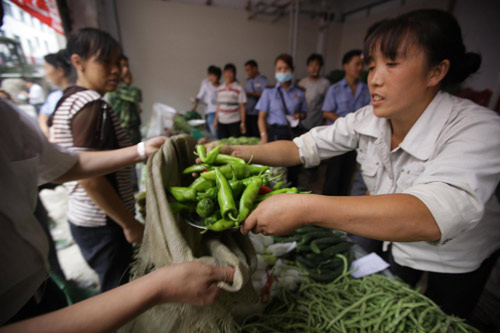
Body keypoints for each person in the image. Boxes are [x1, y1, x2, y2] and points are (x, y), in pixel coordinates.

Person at [224, 10, 500, 318]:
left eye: (392, 64)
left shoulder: (479, 128)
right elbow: (300, 148)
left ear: (436, 72)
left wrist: (304, 208)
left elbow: (431, 214)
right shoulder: (368, 118)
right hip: (396, 243)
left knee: (444, 317)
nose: (375, 79)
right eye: (371, 66)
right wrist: (229, 150)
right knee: (394, 308)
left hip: (459, 257)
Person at [0, 97, 234, 330]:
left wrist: (140, 150)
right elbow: (87, 180)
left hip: (40, 286)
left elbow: (60, 163)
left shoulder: (6, 114)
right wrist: (159, 287)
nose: (118, 70)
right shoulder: (86, 105)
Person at [50, 28, 144, 292]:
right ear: (78, 62)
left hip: (86, 219)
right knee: (117, 296)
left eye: (117, 63)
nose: (115, 70)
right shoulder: (92, 105)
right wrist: (129, 224)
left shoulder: (68, 99)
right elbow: (90, 176)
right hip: (105, 223)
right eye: (105, 62)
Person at [321, 50, 371, 196]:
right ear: (346, 66)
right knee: (333, 175)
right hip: (337, 138)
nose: (360, 68)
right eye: (357, 64)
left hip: (357, 141)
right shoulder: (335, 89)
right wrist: (347, 124)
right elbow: (326, 112)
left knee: (348, 176)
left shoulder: (365, 89)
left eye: (362, 65)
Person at [256, 54, 307, 186]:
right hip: (275, 133)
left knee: (294, 170)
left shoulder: (299, 93)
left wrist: (299, 115)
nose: (282, 72)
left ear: (292, 70)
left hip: (293, 134)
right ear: (275, 71)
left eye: (286, 69)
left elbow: (304, 113)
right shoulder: (269, 92)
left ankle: (293, 196)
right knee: (276, 172)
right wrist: (263, 136)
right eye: (279, 69)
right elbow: (261, 117)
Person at [105, 54, 143, 145]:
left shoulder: (123, 87)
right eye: (122, 66)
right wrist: (127, 81)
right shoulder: (115, 88)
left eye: (127, 66)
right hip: (126, 133)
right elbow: (136, 95)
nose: (126, 70)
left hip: (133, 130)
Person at [38, 50, 75, 138]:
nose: (45, 73)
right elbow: (43, 115)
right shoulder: (54, 96)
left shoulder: (79, 95)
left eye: (46, 68)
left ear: (60, 70)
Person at [298, 53, 330, 130]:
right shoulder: (302, 83)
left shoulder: (325, 84)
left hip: (317, 123)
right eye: (311, 65)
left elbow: (328, 105)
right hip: (302, 122)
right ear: (307, 67)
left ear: (320, 67)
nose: (313, 68)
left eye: (316, 65)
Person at [214, 63, 247, 138]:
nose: (228, 74)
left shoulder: (239, 88)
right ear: (224, 73)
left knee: (234, 144)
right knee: (222, 144)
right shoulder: (220, 88)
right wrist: (215, 120)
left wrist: (243, 122)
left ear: (234, 74)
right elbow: (219, 105)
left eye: (231, 72)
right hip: (221, 122)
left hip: (234, 122)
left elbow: (242, 107)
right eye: (226, 72)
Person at [193, 65, 221, 137]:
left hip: (220, 112)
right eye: (210, 76)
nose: (211, 78)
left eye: (213, 76)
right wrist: (195, 105)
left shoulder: (222, 87)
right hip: (210, 112)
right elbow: (199, 96)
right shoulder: (206, 85)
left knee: (217, 132)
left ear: (217, 77)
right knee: (212, 131)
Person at [244, 60, 268, 138]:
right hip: (248, 112)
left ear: (254, 68)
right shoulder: (247, 81)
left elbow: (266, 93)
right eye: (246, 70)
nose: (248, 72)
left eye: (249, 70)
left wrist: (252, 94)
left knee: (256, 135)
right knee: (248, 135)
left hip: (258, 113)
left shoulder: (263, 80)